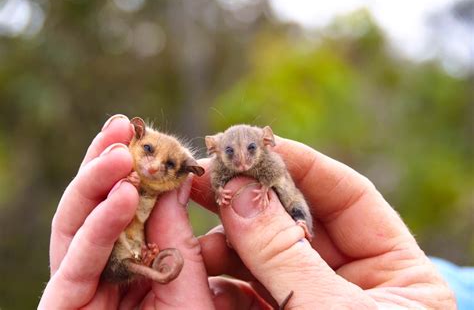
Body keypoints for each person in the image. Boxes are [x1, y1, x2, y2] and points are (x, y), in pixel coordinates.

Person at [38, 115, 456, 309]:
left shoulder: (270, 166)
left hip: (291, 224)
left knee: (295, 202)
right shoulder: (209, 171)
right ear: (217, 149)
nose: (241, 163)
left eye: (251, 151)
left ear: (266, 144)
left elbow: (283, 188)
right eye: (231, 153)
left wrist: (286, 228)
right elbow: (218, 183)